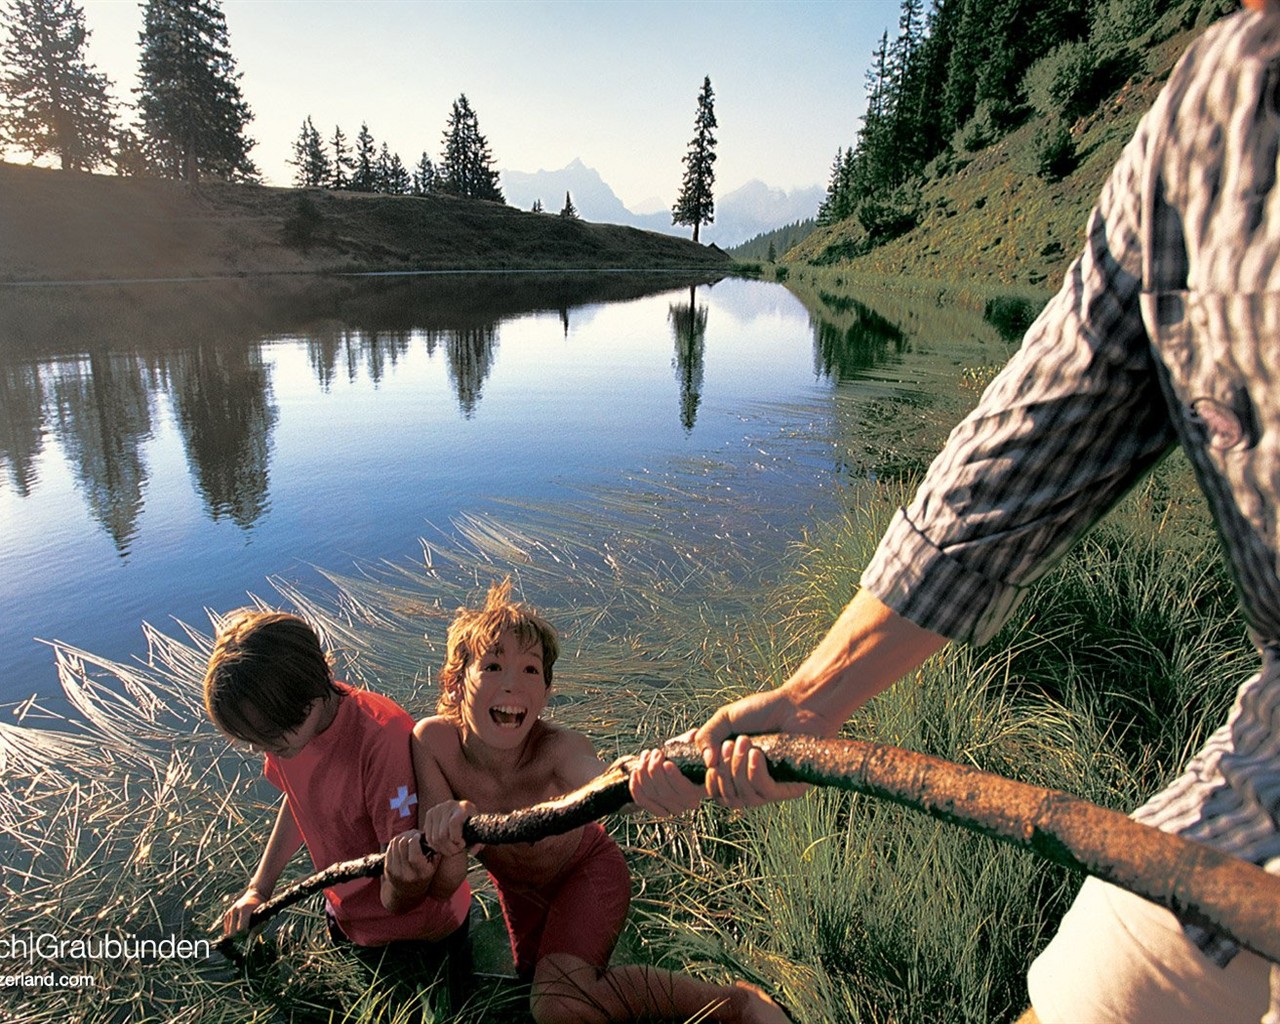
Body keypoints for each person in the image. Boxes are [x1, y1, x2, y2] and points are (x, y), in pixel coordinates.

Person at [631, 2, 1280, 1022]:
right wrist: (812, 698)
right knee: (1085, 991)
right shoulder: (1214, 102)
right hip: (1272, 749)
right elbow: (1021, 449)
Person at [409, 580, 790, 1024]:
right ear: (455, 685)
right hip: (519, 892)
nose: (513, 684)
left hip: (587, 871)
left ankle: (736, 1006)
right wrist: (447, 836)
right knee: (539, 984)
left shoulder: (559, 749)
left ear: (547, 694)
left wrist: (666, 775)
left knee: (558, 1003)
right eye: (493, 667)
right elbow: (442, 882)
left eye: (531, 670)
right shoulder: (433, 743)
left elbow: (612, 785)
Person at [204, 609, 472, 1013]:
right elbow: (298, 802)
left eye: (269, 739)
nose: (264, 750)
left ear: (310, 691)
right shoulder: (288, 732)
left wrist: (404, 885)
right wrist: (259, 888)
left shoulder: (382, 742)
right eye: (253, 742)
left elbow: (410, 884)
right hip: (350, 919)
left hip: (422, 933)